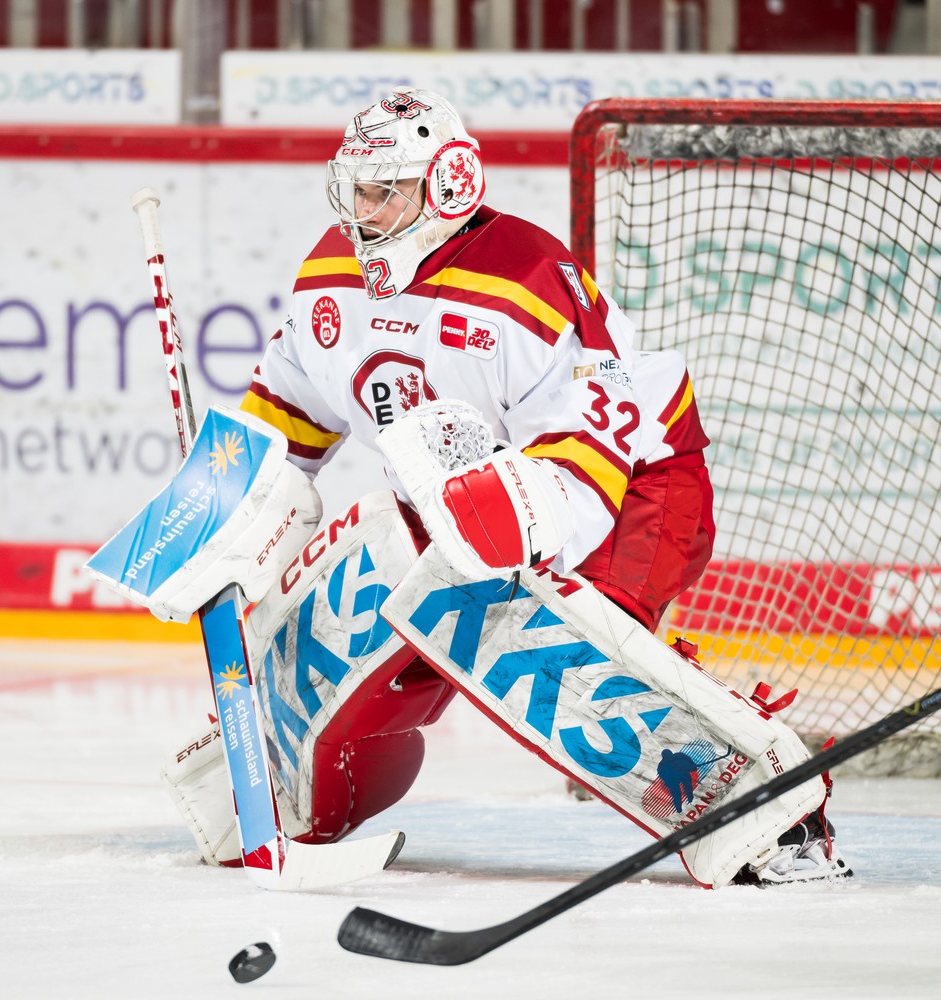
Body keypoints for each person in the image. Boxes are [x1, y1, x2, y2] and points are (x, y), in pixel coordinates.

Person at [163, 87, 848, 888]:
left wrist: (527, 517)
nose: (364, 209)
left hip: (634, 483)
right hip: (465, 502)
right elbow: (287, 419)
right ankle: (280, 780)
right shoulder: (330, 275)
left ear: (449, 183)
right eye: (358, 187)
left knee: (567, 651)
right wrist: (219, 510)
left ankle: (769, 811)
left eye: (387, 189)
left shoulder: (524, 274)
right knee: (390, 584)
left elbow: (594, 435)